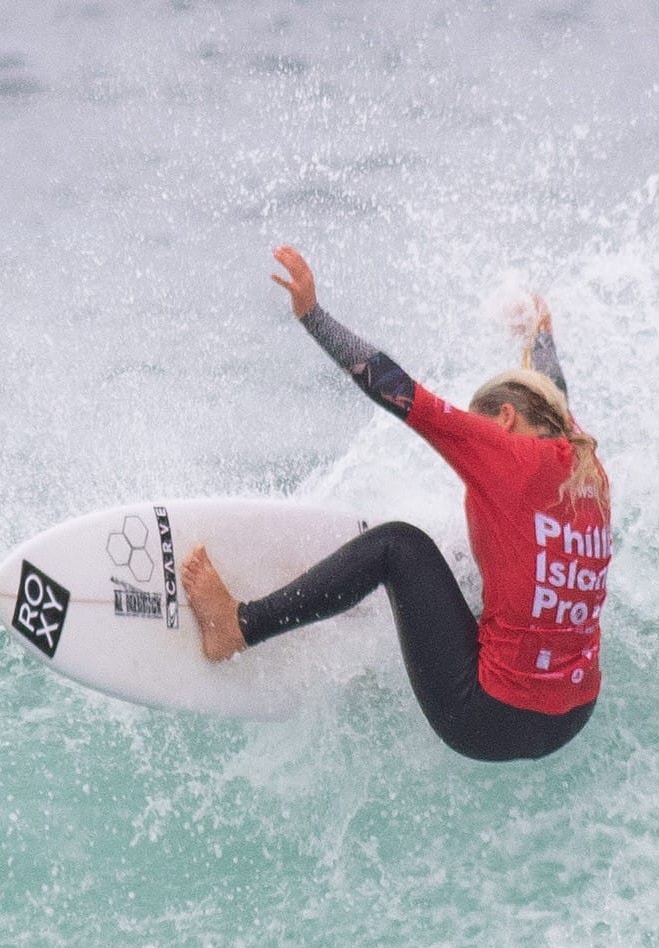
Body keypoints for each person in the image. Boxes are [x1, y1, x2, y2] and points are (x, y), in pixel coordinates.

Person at [182, 246, 611, 762]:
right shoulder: (586, 464)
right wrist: (540, 333)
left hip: (489, 719)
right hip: (574, 715)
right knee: (466, 563)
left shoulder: (506, 453)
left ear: (502, 420)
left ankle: (237, 626)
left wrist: (313, 317)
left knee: (398, 548)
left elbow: (395, 388)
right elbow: (555, 390)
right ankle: (368, 617)